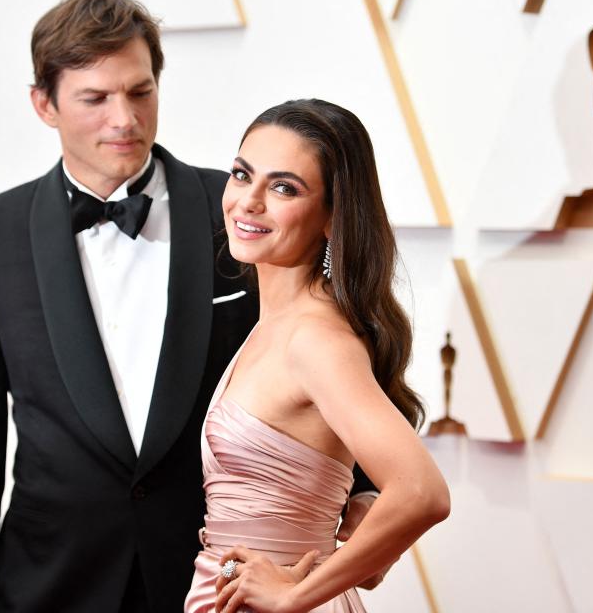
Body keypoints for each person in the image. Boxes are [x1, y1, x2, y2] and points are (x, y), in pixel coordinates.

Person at [0, 0, 381, 612]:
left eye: (140, 92)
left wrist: (359, 492)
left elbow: (336, 348)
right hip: (49, 587)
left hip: (213, 584)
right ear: (44, 105)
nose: (125, 119)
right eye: (95, 98)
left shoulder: (243, 210)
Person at [184, 100, 451, 613]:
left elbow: (423, 491)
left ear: (332, 217)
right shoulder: (277, 324)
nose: (249, 202)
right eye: (242, 175)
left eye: (284, 187)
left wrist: (296, 596)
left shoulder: (314, 340)